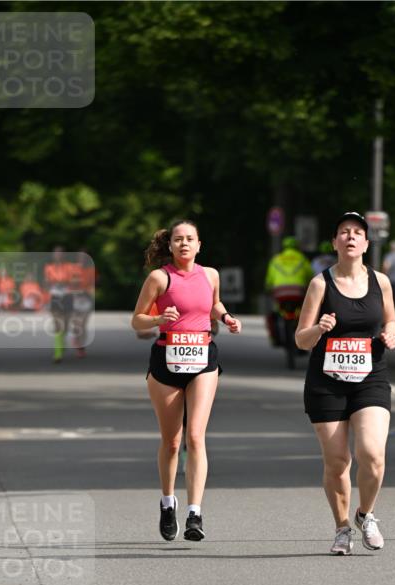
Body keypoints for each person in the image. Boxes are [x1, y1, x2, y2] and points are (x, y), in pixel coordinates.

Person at [131, 220, 241, 543]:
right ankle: (168, 503)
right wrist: (158, 318)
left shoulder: (210, 275)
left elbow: (214, 304)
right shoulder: (159, 278)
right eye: (178, 239)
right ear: (170, 245)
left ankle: (195, 512)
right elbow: (136, 319)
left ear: (198, 245)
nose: (184, 244)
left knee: (195, 436)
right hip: (166, 359)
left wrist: (226, 317)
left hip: (203, 358)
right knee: (172, 441)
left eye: (189, 239)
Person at [295, 212, 395, 555]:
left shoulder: (381, 282)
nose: (351, 237)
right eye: (344, 232)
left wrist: (390, 334)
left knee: (372, 453)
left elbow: (391, 320)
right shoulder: (320, 284)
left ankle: (365, 514)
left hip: (371, 377)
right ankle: (342, 528)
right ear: (335, 243)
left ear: (366, 244)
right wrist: (319, 328)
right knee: (338, 461)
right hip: (327, 383)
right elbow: (301, 339)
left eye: (357, 233)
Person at [264, 236, 312, 347]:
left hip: (280, 292)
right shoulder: (302, 258)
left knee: (276, 313)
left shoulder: (276, 259)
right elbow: (310, 275)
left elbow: (269, 279)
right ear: (297, 247)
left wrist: (268, 288)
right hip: (298, 292)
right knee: (302, 312)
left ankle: (276, 339)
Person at [44, 247, 75, 363]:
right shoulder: (49, 268)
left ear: (64, 255)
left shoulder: (70, 267)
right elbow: (46, 283)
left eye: (60, 254)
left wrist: (64, 282)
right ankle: (57, 354)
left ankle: (62, 341)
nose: (58, 256)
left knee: (65, 325)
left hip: (67, 296)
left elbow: (74, 281)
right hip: (55, 296)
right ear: (53, 256)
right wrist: (49, 285)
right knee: (57, 325)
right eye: (56, 254)